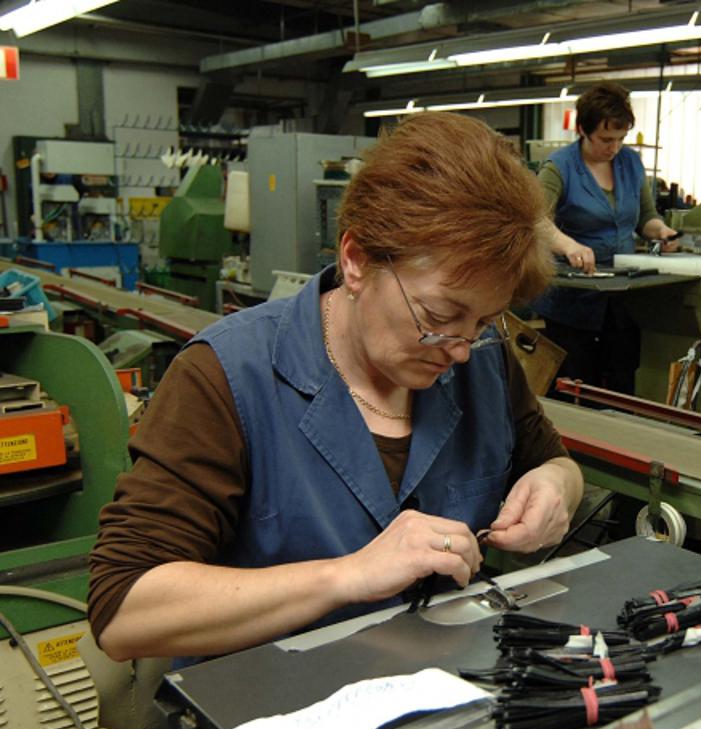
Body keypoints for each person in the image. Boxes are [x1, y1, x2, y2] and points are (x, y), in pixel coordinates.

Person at [88, 111, 584, 666]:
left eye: (484, 320)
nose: (461, 347)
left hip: (440, 692)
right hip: (267, 718)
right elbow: (124, 612)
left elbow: (555, 464)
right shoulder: (228, 376)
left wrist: (555, 489)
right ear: (357, 261)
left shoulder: (481, 362)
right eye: (439, 315)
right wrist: (347, 576)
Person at [534, 81, 681, 394]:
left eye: (620, 138)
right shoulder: (559, 168)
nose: (614, 147)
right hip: (571, 303)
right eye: (605, 139)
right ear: (583, 131)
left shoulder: (630, 163)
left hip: (622, 299)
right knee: (576, 386)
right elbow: (535, 220)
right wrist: (568, 245)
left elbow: (646, 218)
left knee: (621, 384)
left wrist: (662, 232)